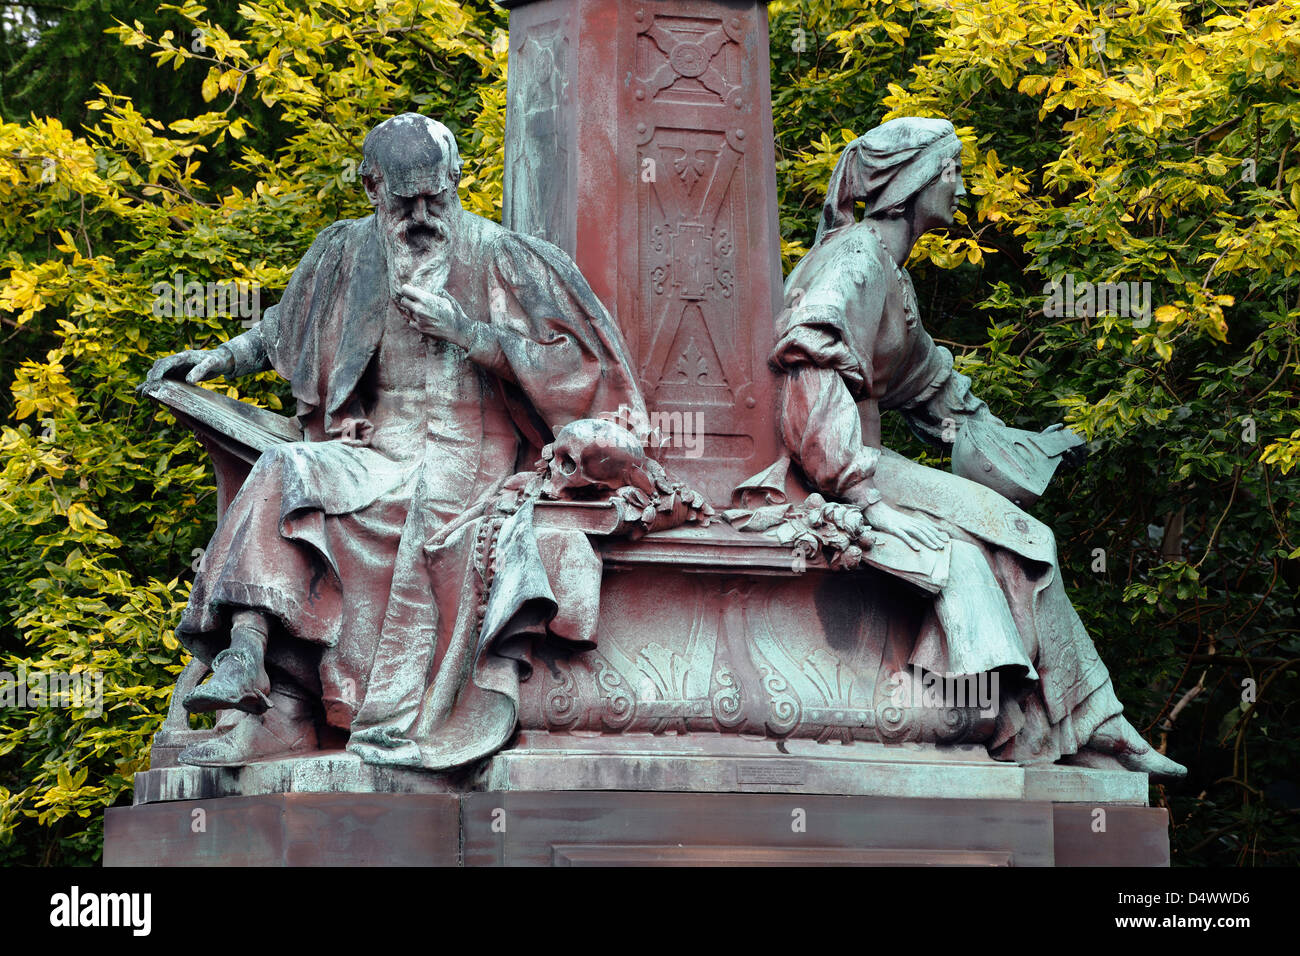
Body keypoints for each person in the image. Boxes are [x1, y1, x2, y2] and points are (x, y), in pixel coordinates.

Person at [145, 113, 646, 767]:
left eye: (436, 198)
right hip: (376, 455)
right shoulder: (345, 254)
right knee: (284, 466)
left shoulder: (505, 259)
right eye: (403, 201)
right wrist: (216, 357)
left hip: (470, 464)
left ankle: (355, 709)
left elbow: (585, 373)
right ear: (371, 188)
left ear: (457, 179)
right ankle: (245, 654)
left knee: (428, 522)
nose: (421, 216)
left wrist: (472, 335)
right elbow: (280, 332)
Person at [771, 116, 1184, 777]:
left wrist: (1035, 447)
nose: (960, 186)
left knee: (1017, 533)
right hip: (844, 468)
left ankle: (1092, 724)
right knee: (1021, 538)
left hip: (864, 462)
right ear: (912, 184)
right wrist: (852, 484)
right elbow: (807, 354)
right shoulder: (854, 261)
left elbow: (941, 394)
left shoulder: (889, 272)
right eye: (951, 171)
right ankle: (1089, 726)